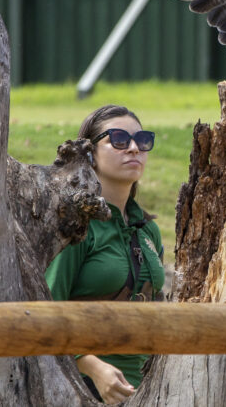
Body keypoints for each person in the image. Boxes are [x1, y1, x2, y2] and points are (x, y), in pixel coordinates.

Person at [45, 104, 166, 404]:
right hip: (83, 389)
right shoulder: (76, 225)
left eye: (143, 140)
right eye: (119, 139)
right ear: (90, 154)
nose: (134, 148)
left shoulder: (148, 230)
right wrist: (92, 367)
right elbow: (44, 311)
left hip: (150, 391)